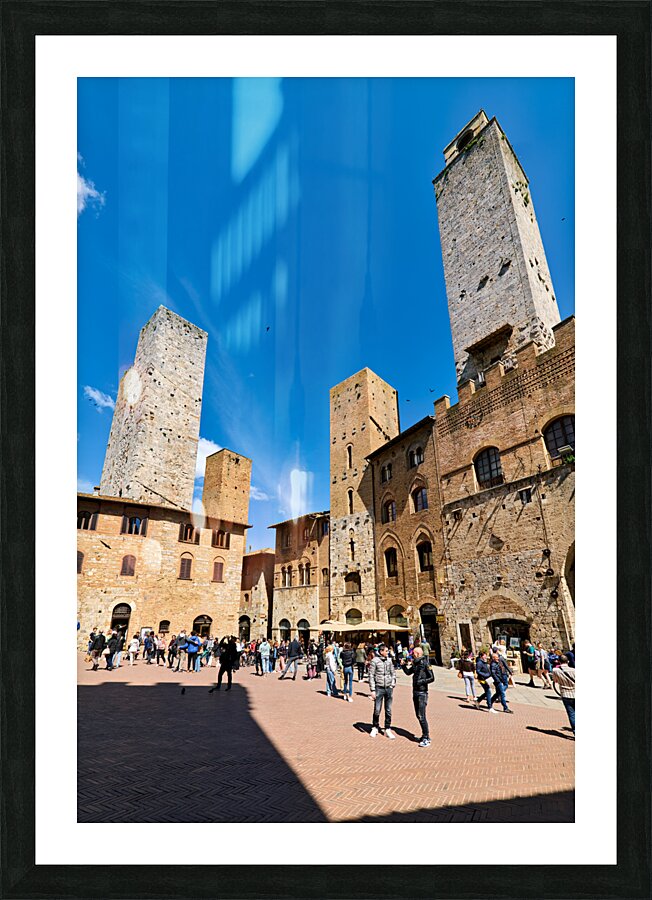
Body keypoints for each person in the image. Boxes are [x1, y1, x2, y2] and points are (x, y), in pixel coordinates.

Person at [401, 646, 434, 747]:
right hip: (415, 691)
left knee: (421, 715)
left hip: (422, 693)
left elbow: (432, 677)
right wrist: (403, 666)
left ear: (418, 654)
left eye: (413, 653)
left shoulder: (426, 663)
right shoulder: (416, 663)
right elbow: (408, 673)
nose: (412, 655)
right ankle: (424, 735)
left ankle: (426, 737)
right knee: (418, 715)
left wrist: (421, 682)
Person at [368, 644, 396, 739]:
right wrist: (372, 689)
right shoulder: (375, 661)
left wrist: (392, 684)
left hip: (388, 687)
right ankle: (375, 727)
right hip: (379, 687)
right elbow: (371, 675)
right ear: (381, 651)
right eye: (386, 651)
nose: (387, 652)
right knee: (377, 709)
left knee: (388, 710)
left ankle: (387, 728)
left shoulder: (389, 660)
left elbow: (393, 673)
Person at [551, 653, 575, 733]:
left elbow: (555, 681)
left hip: (565, 694)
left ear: (559, 661)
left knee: (571, 714)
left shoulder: (555, 671)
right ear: (568, 661)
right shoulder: (574, 670)